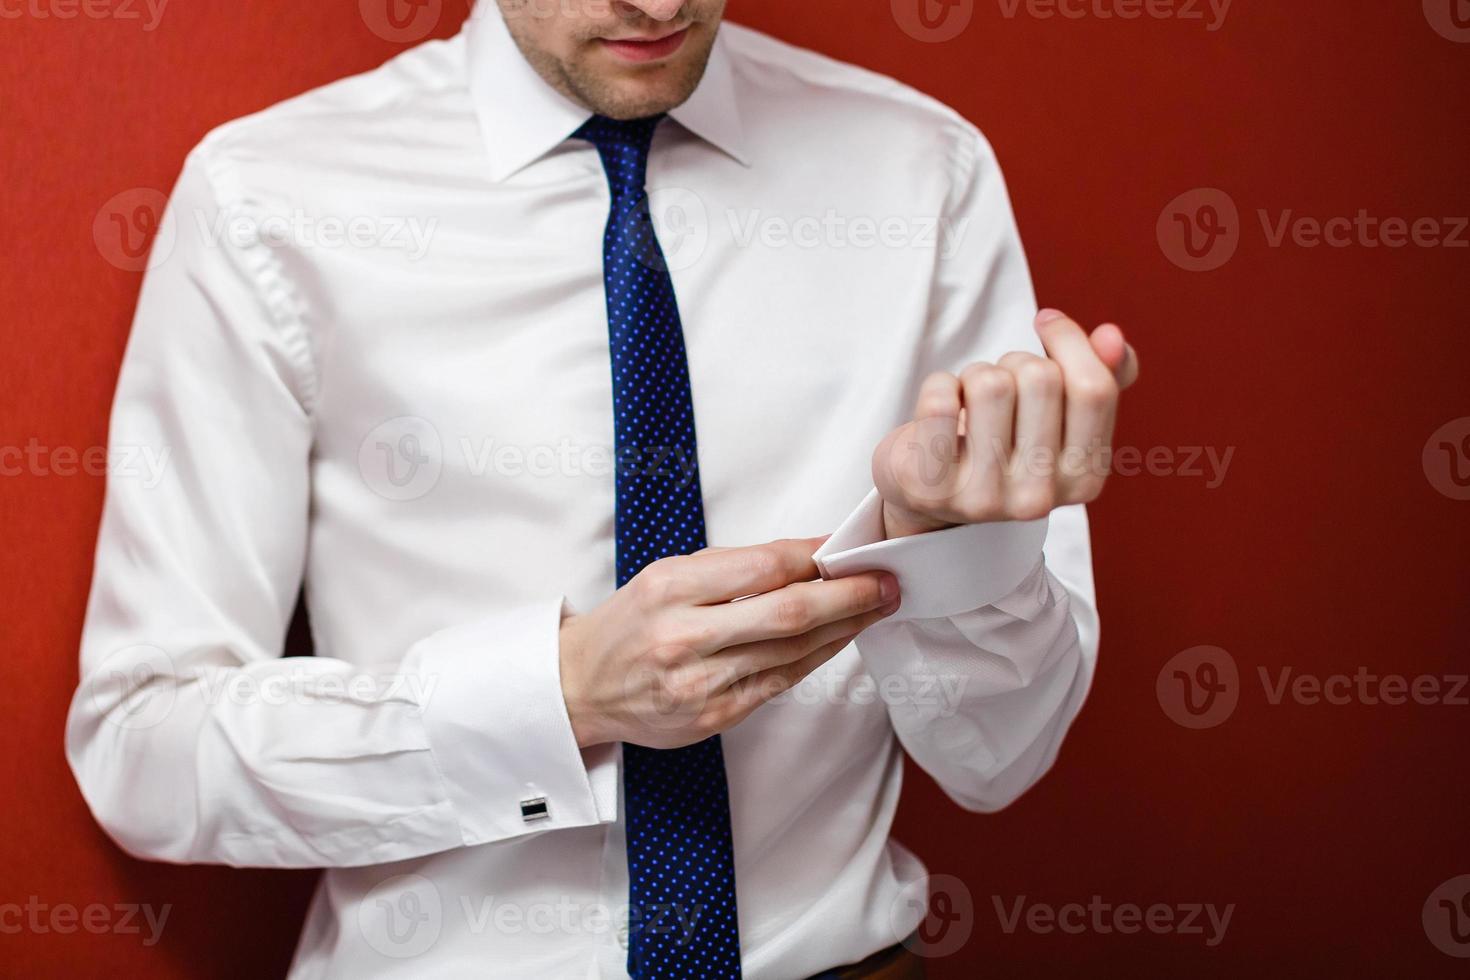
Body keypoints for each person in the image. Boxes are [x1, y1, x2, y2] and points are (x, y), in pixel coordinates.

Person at [66, 1, 1138, 977]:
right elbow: (142, 746)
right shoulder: (271, 199)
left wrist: (944, 547)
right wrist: (560, 692)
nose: (659, 6)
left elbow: (1003, 755)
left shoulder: (922, 175)